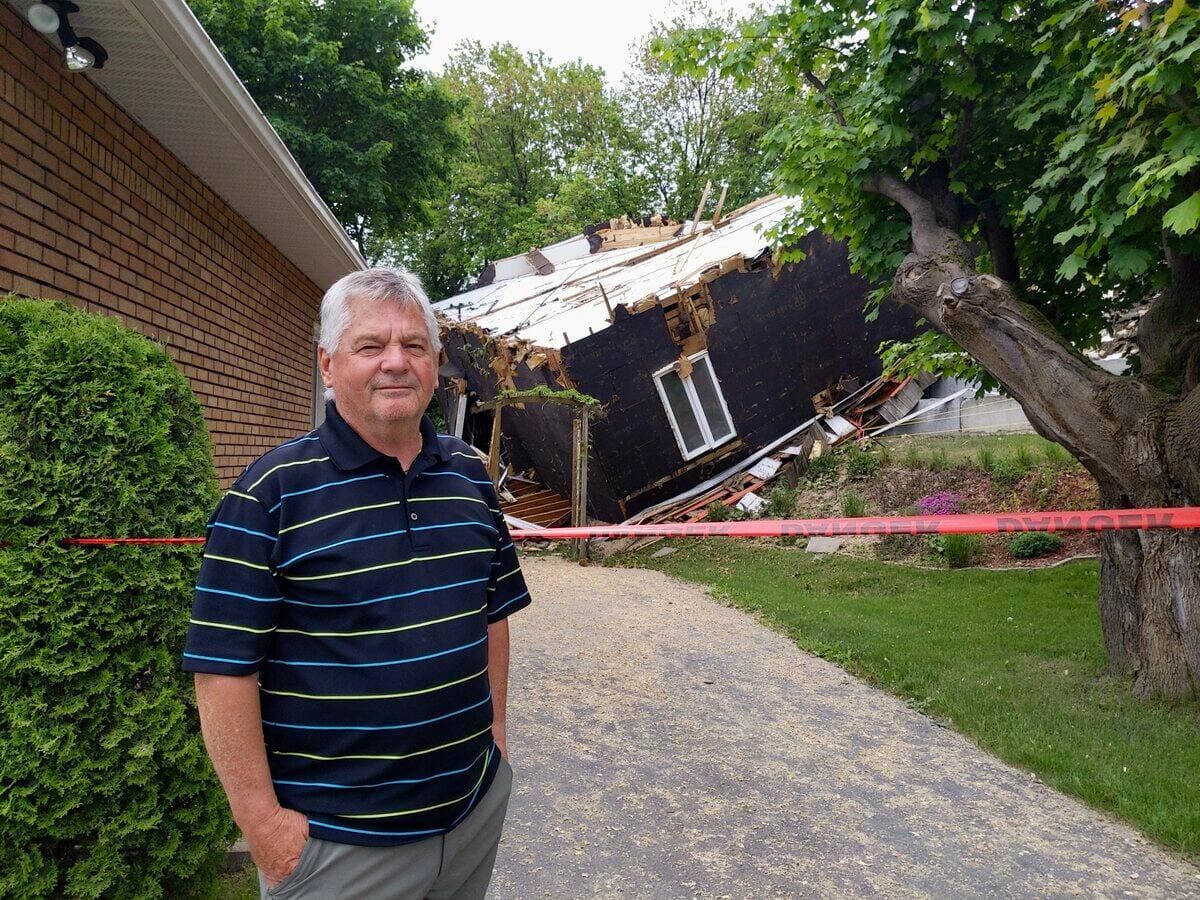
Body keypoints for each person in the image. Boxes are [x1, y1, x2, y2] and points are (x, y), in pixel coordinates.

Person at [183, 267, 530, 898]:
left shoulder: (469, 476)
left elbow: (491, 612)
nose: (395, 362)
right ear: (328, 363)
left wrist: (495, 742)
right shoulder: (269, 497)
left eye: (414, 345)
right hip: (340, 848)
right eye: (371, 346)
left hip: (470, 815)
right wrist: (264, 828)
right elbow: (220, 672)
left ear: (435, 364)